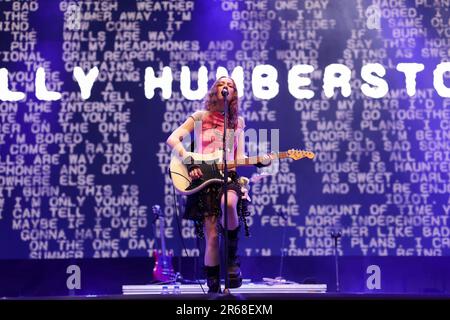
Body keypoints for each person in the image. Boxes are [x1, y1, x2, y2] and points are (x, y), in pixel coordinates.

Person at [166, 76, 272, 293]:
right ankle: (213, 283)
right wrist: (190, 161)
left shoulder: (237, 122)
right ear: (215, 90)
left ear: (234, 94)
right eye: (222, 84)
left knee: (230, 205)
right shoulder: (199, 117)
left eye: (230, 85)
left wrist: (258, 160)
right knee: (212, 236)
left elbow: (239, 156)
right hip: (204, 180)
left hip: (228, 177)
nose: (226, 87)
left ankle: (232, 259)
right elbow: (173, 139)